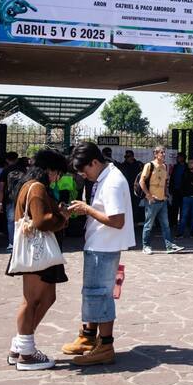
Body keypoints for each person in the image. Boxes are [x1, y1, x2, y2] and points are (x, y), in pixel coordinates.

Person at [63, 142, 136, 365]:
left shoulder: (112, 182)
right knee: (93, 293)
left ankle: (105, 345)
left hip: (104, 246)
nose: (85, 176)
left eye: (85, 170)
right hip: (99, 244)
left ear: (95, 162)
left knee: (100, 294)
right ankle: (88, 337)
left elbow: (116, 220)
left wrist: (87, 209)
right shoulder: (106, 177)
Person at [6, 149, 71, 370]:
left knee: (47, 297)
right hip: (37, 250)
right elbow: (42, 221)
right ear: (49, 170)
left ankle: (20, 344)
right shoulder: (37, 188)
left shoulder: (31, 186)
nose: (57, 178)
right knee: (31, 300)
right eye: (57, 173)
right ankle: (26, 352)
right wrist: (62, 217)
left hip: (40, 252)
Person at [140, 146, 184, 254]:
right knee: (148, 225)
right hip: (152, 201)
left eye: (164, 152)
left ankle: (169, 246)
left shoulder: (164, 166)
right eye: (161, 153)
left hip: (162, 201)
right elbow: (141, 182)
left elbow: (164, 182)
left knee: (166, 225)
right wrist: (148, 195)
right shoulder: (149, 165)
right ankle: (146, 246)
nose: (163, 154)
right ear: (156, 154)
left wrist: (165, 194)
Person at [0, 152, 21, 250]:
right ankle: (20, 242)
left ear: (7, 160)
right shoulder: (23, 169)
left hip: (9, 199)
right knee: (21, 220)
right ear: (16, 159)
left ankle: (11, 243)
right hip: (20, 198)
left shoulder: (5, 170)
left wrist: (0, 203)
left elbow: (1, 188)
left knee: (10, 222)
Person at [169, 152, 187, 230]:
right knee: (174, 207)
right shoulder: (176, 167)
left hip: (183, 190)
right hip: (175, 190)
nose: (178, 158)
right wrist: (170, 188)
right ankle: (173, 223)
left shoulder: (187, 167)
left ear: (183, 158)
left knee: (183, 207)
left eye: (179, 157)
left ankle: (183, 223)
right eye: (177, 157)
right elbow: (172, 178)